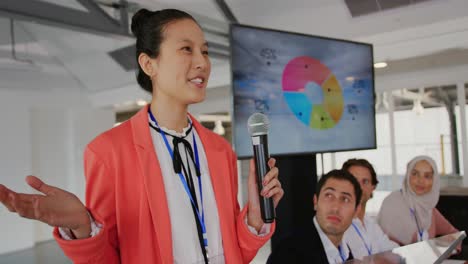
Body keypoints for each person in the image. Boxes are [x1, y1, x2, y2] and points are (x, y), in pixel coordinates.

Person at [0, 8, 284, 264]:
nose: (202, 62)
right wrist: (82, 227)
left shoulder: (220, 151)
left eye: (206, 51)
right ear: (149, 65)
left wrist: (253, 220)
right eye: (187, 49)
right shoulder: (108, 153)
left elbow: (232, 253)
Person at [267, 169, 362, 264]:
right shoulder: (287, 253)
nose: (335, 208)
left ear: (356, 210)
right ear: (315, 201)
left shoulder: (346, 252)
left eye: (345, 199)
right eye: (329, 195)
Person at [377, 156, 458, 246]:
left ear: (434, 181)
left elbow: (455, 235)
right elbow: (384, 246)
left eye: (427, 176)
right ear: (407, 176)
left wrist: (437, 250)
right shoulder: (392, 202)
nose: (421, 181)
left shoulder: (428, 208)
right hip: (394, 259)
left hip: (426, 259)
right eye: (415, 174)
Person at [341, 158, 398, 259]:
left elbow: (393, 250)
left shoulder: (370, 224)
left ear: (373, 187)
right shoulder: (337, 225)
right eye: (354, 180)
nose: (359, 187)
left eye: (365, 181)